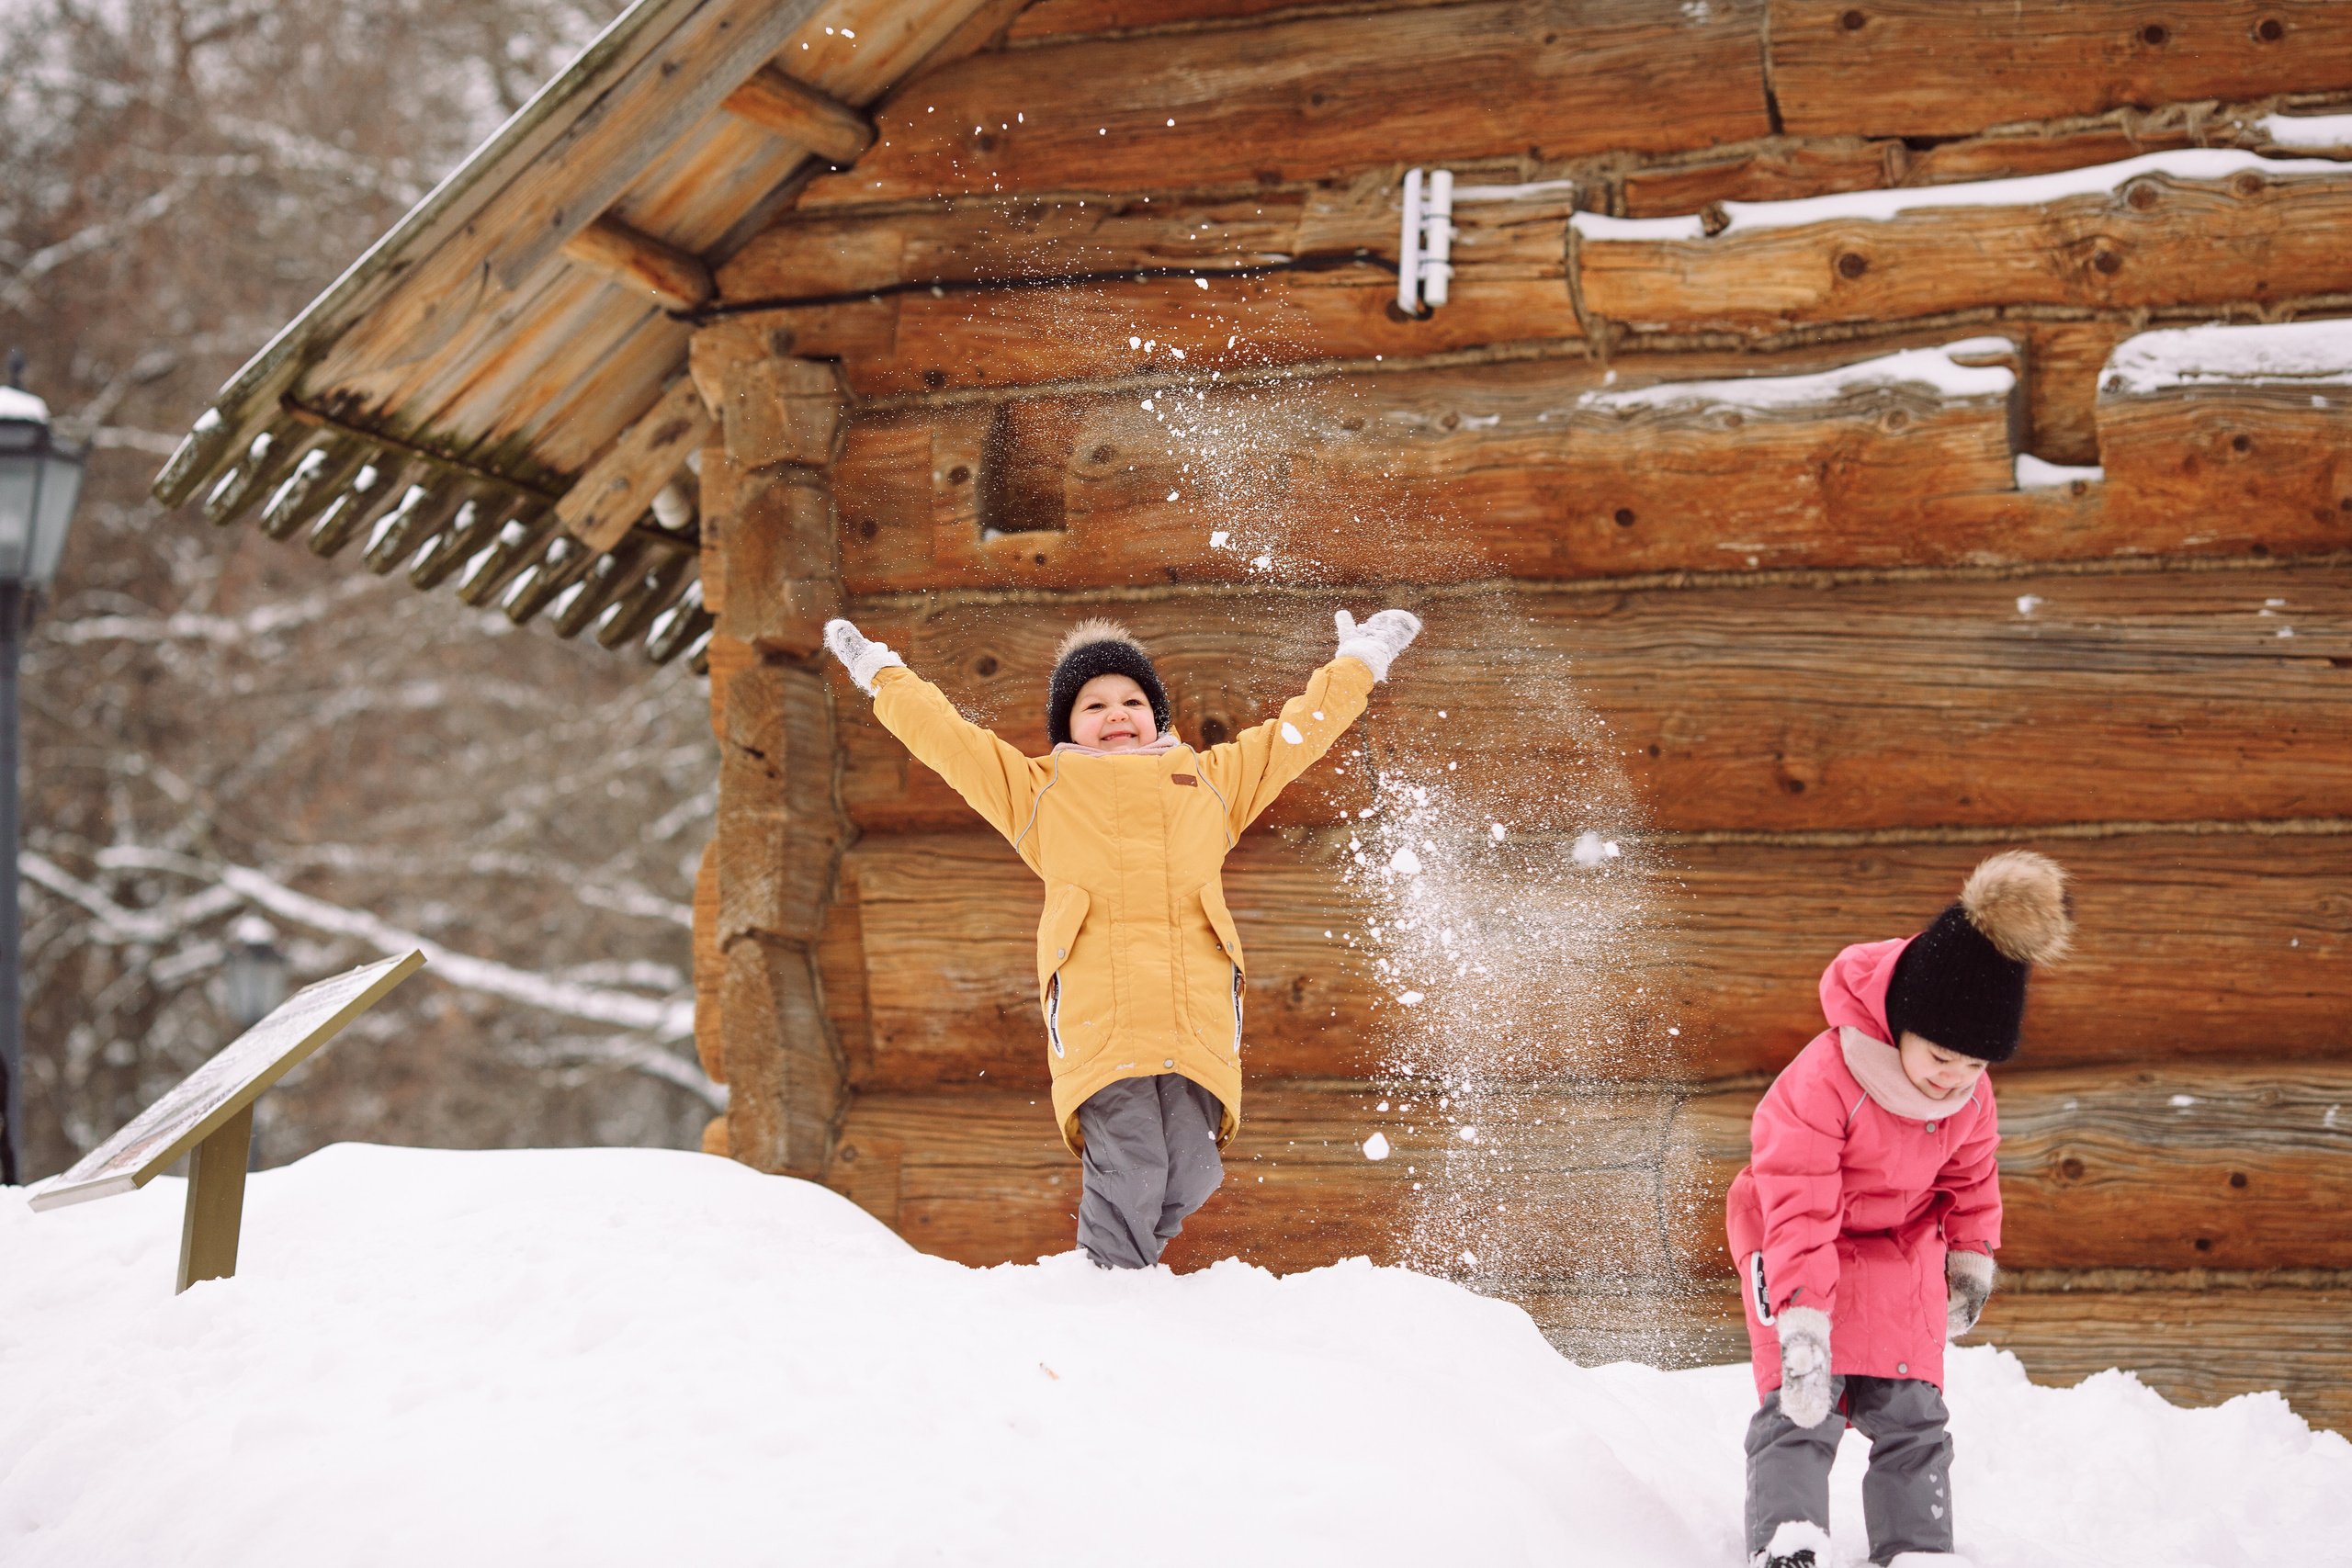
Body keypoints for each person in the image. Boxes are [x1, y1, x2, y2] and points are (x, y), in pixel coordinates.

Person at [821, 609, 1421, 1269]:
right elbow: (948, 740)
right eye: (1094, 702)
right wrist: (882, 672)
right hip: (1100, 1022)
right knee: (1132, 1168)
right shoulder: (1040, 793)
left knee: (1194, 1173)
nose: (1117, 712)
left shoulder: (1211, 783)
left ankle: (1125, 1283)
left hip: (1195, 1020)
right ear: (1065, 727)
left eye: (1133, 700)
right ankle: (1107, 1299)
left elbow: (1293, 737)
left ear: (1157, 716)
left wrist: (1357, 663)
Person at [1728, 850, 2074, 1568]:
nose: (1955, 1078)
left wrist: (1971, 1258)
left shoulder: (1968, 1097)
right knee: (1802, 1409)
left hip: (1900, 1254)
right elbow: (1798, 1203)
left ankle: (1916, 1549)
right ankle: (1789, 1542)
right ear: (1901, 1024)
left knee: (1916, 1419)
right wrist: (1800, 1318)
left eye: (1976, 1065)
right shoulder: (1826, 1079)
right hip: (1801, 1252)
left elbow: (1974, 1179)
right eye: (1943, 1055)